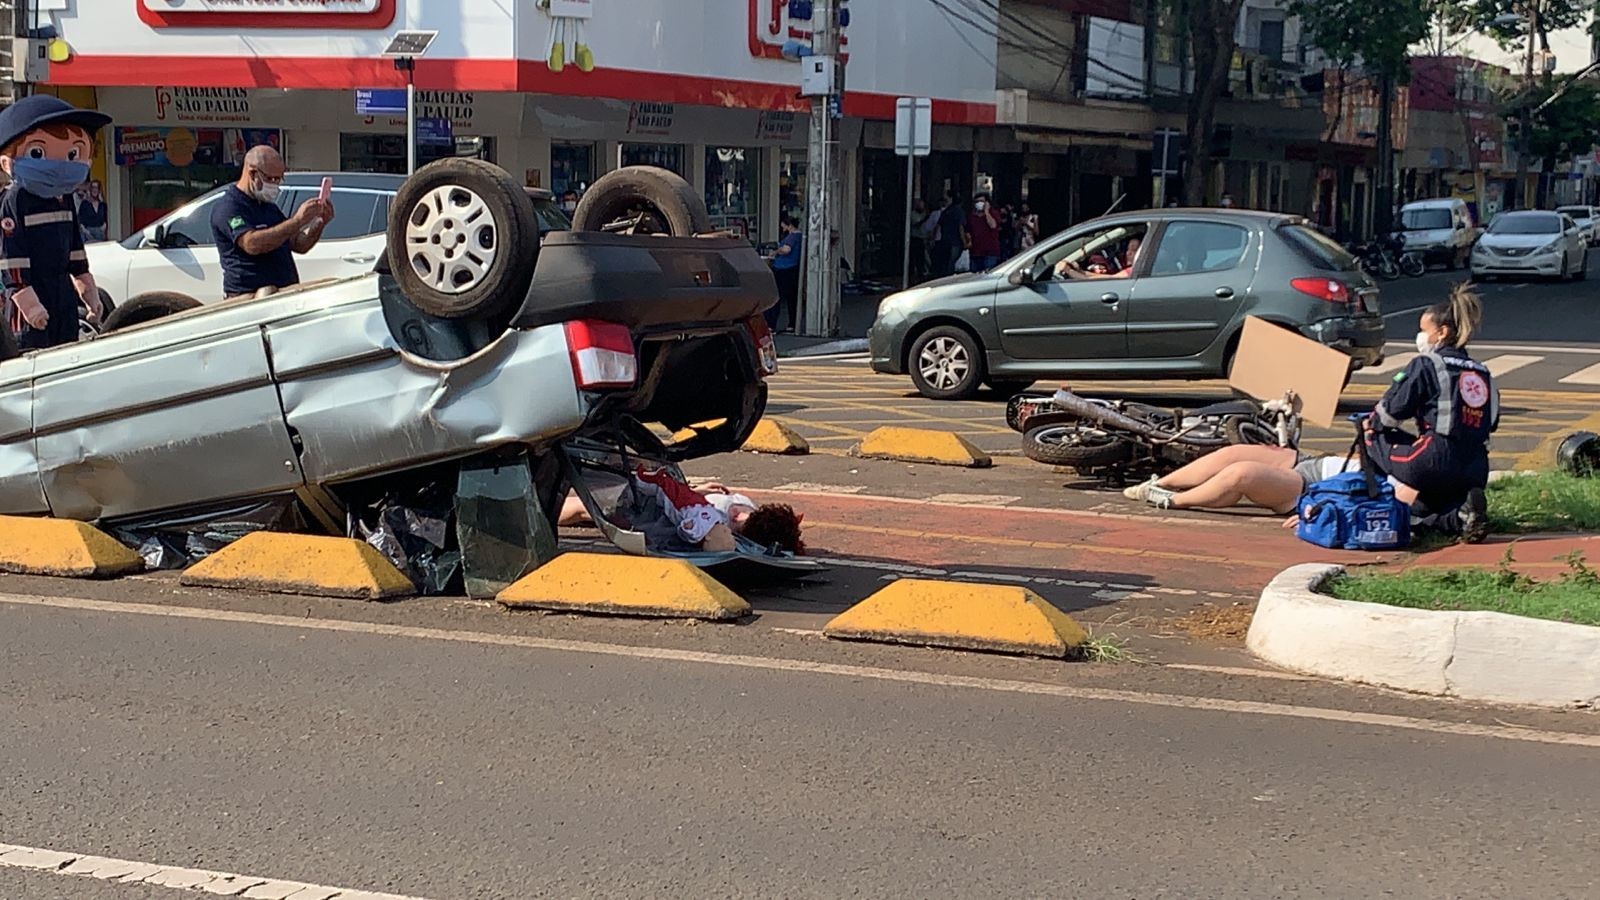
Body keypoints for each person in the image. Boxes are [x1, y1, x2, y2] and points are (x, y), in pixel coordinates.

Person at [1123, 288, 1495, 542]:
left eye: (1423, 331)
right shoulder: (1481, 375)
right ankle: (1158, 484)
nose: (1420, 337)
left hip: (1323, 487)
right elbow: (1485, 423)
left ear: (1440, 332)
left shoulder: (1418, 474)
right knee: (1234, 453)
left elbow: (1389, 415)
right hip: (1332, 465)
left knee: (1242, 473)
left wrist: (1320, 510)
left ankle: (1171, 499)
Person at [0, 95, 112, 351]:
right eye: (38, 153)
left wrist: (87, 287)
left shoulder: (64, 198)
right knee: (31, 353)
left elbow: (75, 248)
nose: (61, 165)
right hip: (29, 297)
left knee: (66, 350)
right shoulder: (14, 199)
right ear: (6, 162)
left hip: (62, 293)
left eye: (73, 154)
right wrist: (27, 301)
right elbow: (10, 256)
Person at [558, 469, 805, 555]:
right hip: (661, 500)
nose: (737, 516)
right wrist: (698, 490)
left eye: (740, 522)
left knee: (587, 508)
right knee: (589, 502)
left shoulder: (728, 526)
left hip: (654, 511)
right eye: (743, 513)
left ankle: (548, 508)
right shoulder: (745, 510)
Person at [211, 145, 334, 302]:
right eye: (271, 179)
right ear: (252, 173)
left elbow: (299, 244)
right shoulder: (229, 207)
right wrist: (297, 220)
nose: (275, 184)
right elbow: (251, 243)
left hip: (282, 294)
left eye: (279, 179)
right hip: (249, 298)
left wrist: (319, 223)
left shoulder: (269, 207)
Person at [769, 214, 803, 332]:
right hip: (792, 268)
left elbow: (786, 250)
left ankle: (771, 324)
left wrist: (775, 252)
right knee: (791, 298)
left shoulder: (792, 237)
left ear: (789, 225)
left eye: (783, 226)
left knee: (776, 297)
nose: (782, 228)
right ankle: (792, 323)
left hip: (784, 269)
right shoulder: (799, 236)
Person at [1057, 235, 1142, 280]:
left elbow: (1110, 279)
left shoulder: (1135, 271)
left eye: (1134, 250)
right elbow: (1104, 277)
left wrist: (1069, 271)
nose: (1128, 253)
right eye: (1127, 249)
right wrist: (1080, 271)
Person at [965, 193, 1002, 272]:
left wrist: (986, 212)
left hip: (990, 252)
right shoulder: (971, 216)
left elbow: (993, 225)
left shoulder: (993, 213)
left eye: (981, 201)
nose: (979, 203)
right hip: (975, 252)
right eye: (977, 201)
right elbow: (968, 231)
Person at [933, 194, 964, 277]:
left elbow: (938, 226)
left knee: (945, 261)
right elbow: (960, 227)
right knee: (952, 262)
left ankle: (943, 276)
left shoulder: (946, 211)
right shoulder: (959, 212)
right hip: (955, 241)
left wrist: (934, 238)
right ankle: (949, 277)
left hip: (944, 240)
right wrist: (964, 241)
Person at [909, 198, 931, 281]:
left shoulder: (924, 214)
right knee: (914, 257)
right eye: (920, 205)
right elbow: (916, 224)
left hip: (923, 238)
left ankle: (921, 274)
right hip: (915, 238)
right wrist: (924, 219)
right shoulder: (913, 214)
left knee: (921, 258)